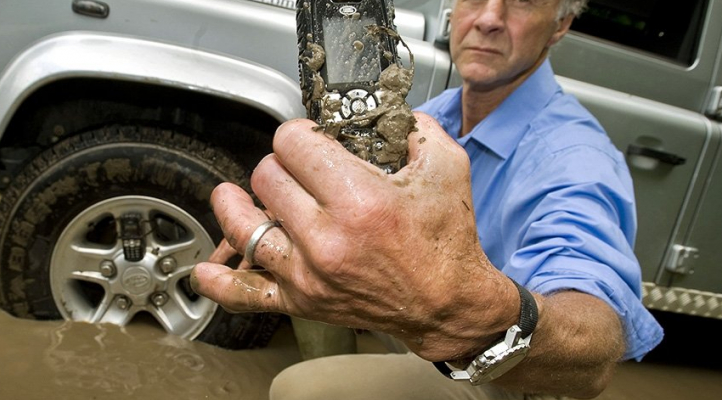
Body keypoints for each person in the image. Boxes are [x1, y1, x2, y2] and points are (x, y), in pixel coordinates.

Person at [191, 0, 664, 398]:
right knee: (306, 256)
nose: (488, 18)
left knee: (303, 387)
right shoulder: (433, 116)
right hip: (420, 333)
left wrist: (464, 315)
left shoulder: (576, 159)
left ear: (560, 24)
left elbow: (596, 344)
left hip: (508, 372)